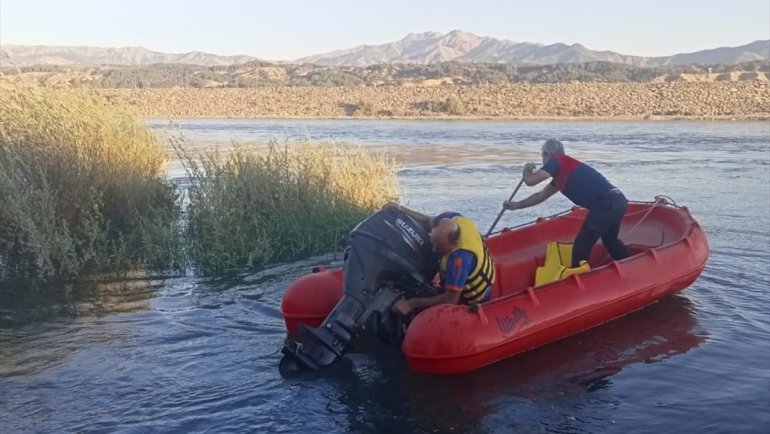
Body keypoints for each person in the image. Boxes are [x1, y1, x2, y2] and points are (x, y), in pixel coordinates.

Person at [503, 139, 630, 268]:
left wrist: (527, 169)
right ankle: (630, 264)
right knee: (610, 241)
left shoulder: (558, 161)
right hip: (617, 200)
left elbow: (531, 181)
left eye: (542, 155)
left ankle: (579, 278)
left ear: (548, 155)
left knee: (581, 245)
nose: (542, 159)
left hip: (606, 203)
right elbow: (540, 196)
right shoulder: (562, 171)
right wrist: (517, 205)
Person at [384, 204, 495, 317]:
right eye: (434, 244)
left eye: (440, 248)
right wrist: (401, 210)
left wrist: (411, 303)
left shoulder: (459, 259)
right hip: (460, 283)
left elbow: (451, 300)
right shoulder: (454, 218)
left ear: (454, 243)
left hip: (472, 299)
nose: (434, 249)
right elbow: (427, 221)